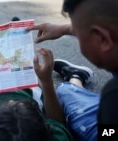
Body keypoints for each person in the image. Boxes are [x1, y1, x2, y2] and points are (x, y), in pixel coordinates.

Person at [26, 0, 118, 140]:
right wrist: (65, 29)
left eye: (78, 36)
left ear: (103, 39)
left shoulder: (112, 95)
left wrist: (47, 82)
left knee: (64, 91)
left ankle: (75, 77)